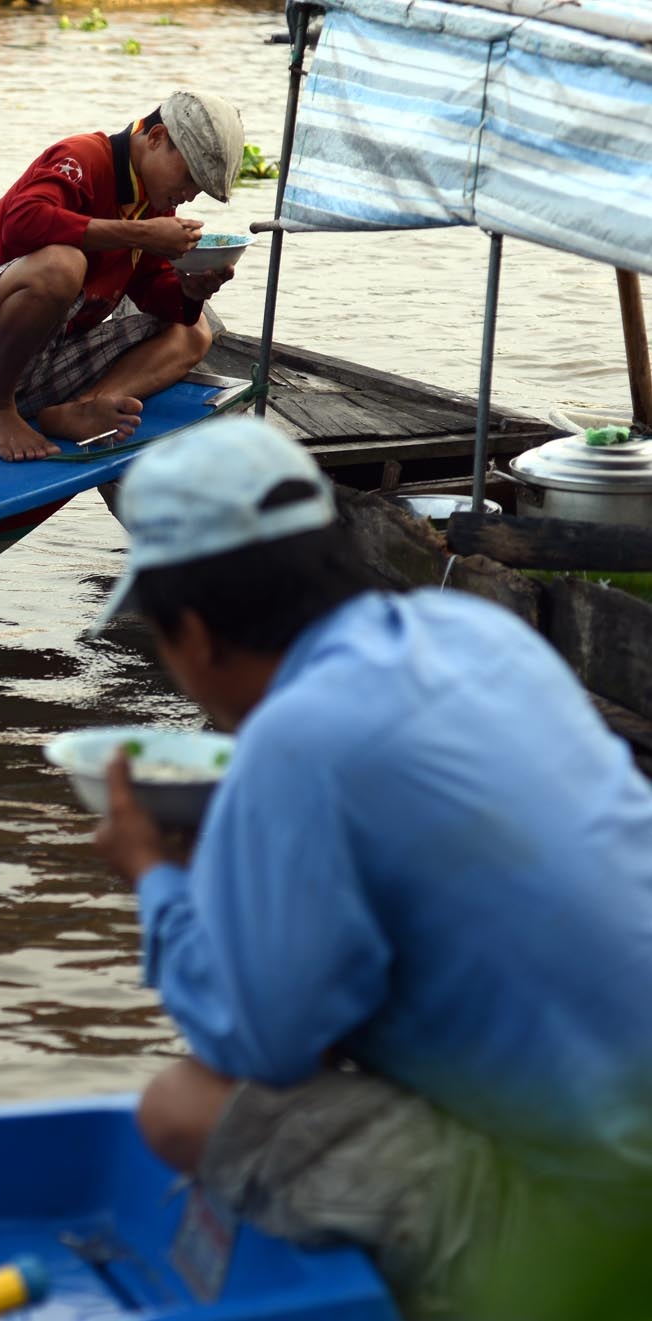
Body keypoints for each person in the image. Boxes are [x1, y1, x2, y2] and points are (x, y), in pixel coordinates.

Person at [87, 416, 652, 1316]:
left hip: (611, 1224)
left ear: (192, 633)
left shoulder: (296, 738)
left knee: (182, 1106)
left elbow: (254, 1042)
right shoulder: (476, 634)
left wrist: (155, 875)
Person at [0, 91, 243, 462]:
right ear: (156, 138)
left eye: (198, 189)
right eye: (189, 178)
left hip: (41, 363)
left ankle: (81, 407)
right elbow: (23, 223)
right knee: (62, 265)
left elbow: (153, 292)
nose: (188, 195)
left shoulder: (152, 203)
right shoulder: (83, 157)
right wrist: (141, 234)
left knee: (194, 329)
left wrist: (191, 290)